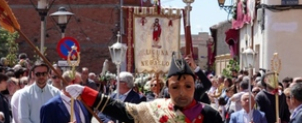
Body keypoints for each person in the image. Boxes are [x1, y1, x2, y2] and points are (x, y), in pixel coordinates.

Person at [66, 53, 223, 123]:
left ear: (194, 87)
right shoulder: (156, 109)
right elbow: (122, 110)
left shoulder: (209, 115)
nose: (182, 92)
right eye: (176, 87)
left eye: (188, 86)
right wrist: (87, 93)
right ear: (168, 87)